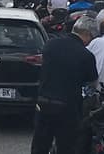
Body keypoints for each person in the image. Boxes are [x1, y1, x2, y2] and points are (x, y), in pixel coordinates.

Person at [31, 16, 98, 154]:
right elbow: (92, 83)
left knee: (40, 144)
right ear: (87, 35)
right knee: (66, 146)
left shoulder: (50, 44)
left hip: (44, 102)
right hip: (68, 107)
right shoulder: (86, 55)